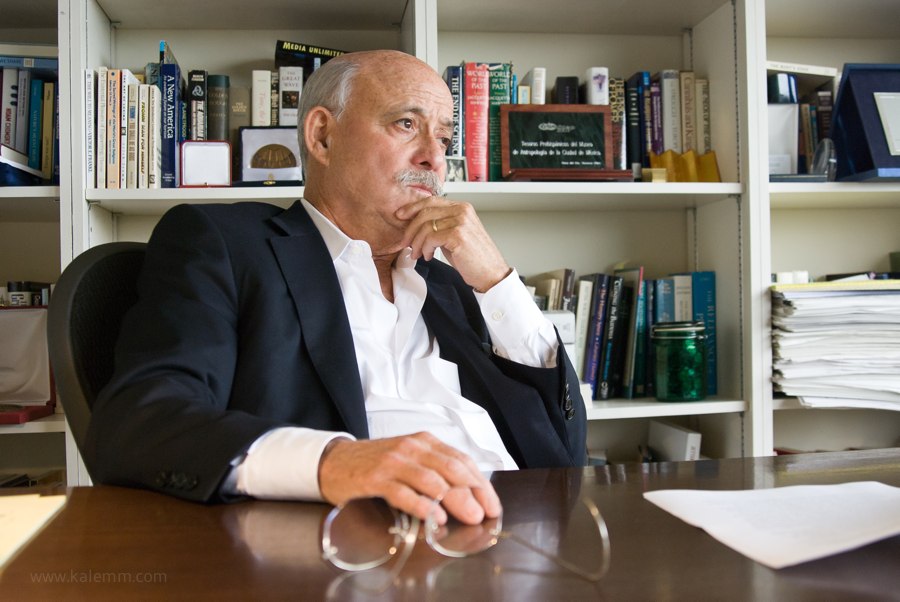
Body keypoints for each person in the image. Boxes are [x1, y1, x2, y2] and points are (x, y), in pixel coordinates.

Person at [85, 49, 586, 526]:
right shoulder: (224, 245)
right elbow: (140, 421)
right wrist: (333, 461)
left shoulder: (455, 284)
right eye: (406, 125)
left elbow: (565, 446)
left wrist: (498, 282)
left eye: (446, 139)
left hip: (520, 538)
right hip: (344, 552)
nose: (436, 158)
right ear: (322, 136)